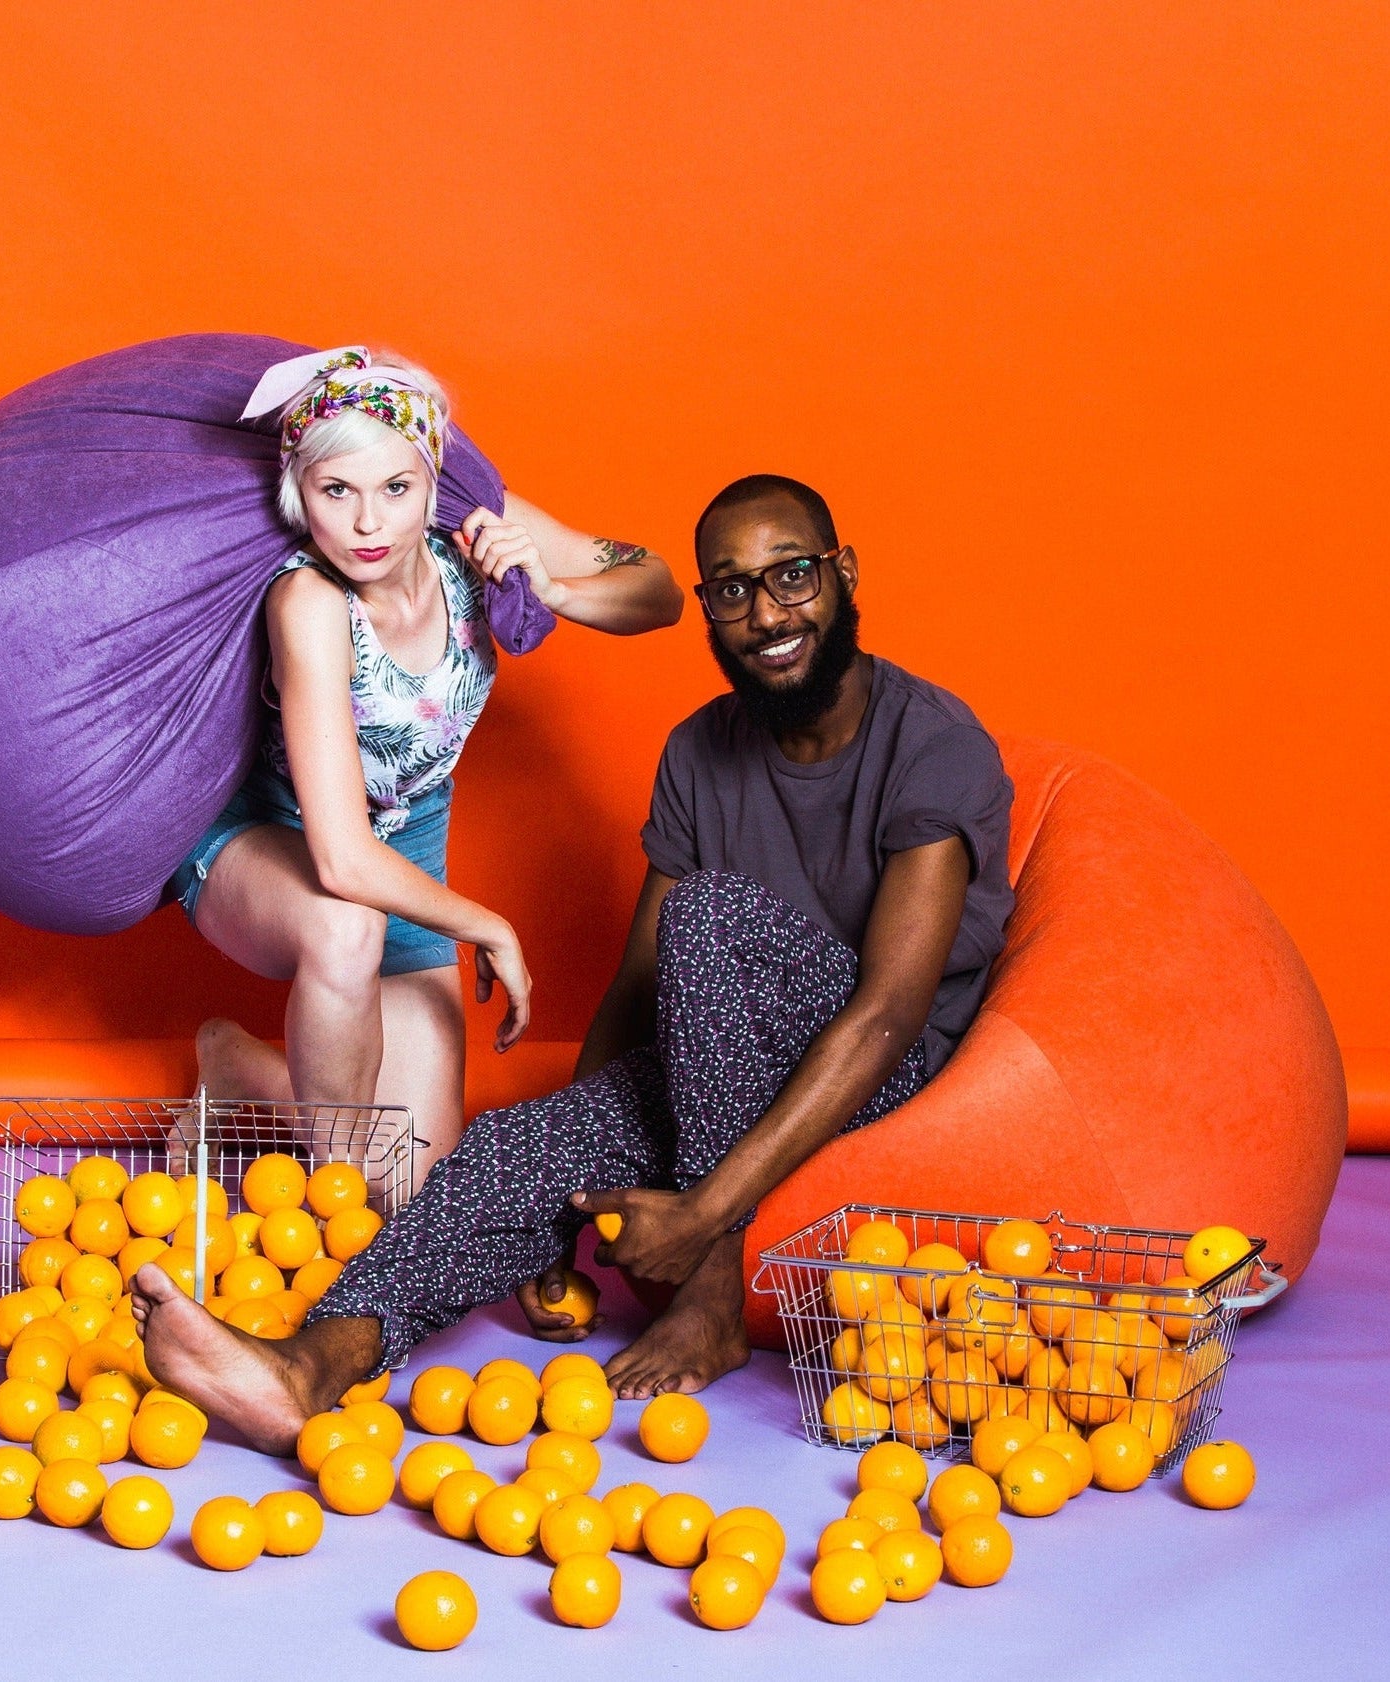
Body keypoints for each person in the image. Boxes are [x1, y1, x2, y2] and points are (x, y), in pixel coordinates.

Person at [132, 472, 1014, 1448]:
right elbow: (641, 990)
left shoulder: (931, 743)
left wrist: (703, 1215)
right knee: (511, 1145)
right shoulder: (698, 752)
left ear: (842, 575)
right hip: (725, 1054)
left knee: (710, 914)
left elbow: (889, 1013)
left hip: (877, 1054)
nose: (765, 614)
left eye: (791, 576)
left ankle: (712, 1297)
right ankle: (310, 1364)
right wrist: (568, 1204)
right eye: (729, 590)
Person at [170, 347, 682, 1174]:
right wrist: (488, 926)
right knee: (346, 929)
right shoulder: (307, 603)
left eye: (395, 490)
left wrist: (551, 586)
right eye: (337, 491)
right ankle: (327, 1205)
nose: (369, 525)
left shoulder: (474, 535)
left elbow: (657, 589)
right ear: (300, 493)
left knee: (408, 1184)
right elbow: (338, 859)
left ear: (432, 482)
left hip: (403, 843)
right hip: (270, 835)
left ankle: (238, 1069)